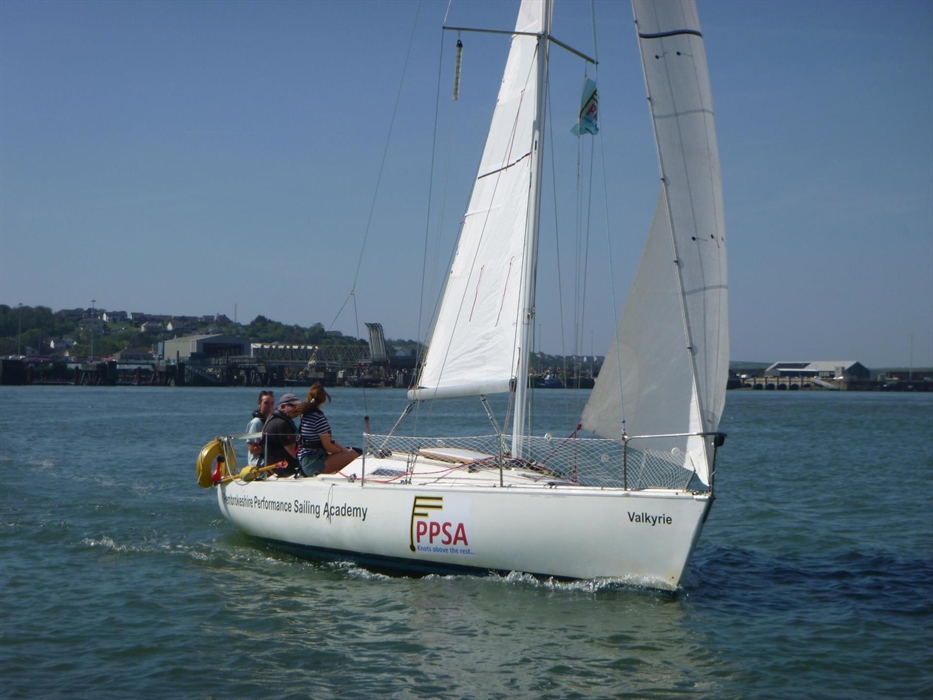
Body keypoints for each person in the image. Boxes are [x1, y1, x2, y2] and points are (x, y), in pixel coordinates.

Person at [296, 383, 361, 477]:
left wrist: (344, 450)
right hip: (314, 463)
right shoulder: (318, 418)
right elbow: (328, 446)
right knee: (355, 455)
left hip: (305, 460)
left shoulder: (305, 415)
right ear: (323, 399)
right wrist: (342, 452)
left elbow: (329, 441)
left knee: (350, 452)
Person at [261, 393, 302, 477]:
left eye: (298, 407)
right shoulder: (281, 424)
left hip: (276, 466)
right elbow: (294, 452)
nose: (297, 410)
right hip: (283, 469)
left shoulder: (277, 420)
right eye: (294, 407)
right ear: (283, 407)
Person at [245, 390, 274, 466]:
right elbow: (252, 450)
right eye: (266, 403)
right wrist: (276, 447)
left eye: (272, 403)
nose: (269, 406)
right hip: (257, 464)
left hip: (269, 461)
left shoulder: (270, 422)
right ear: (259, 404)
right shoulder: (256, 423)